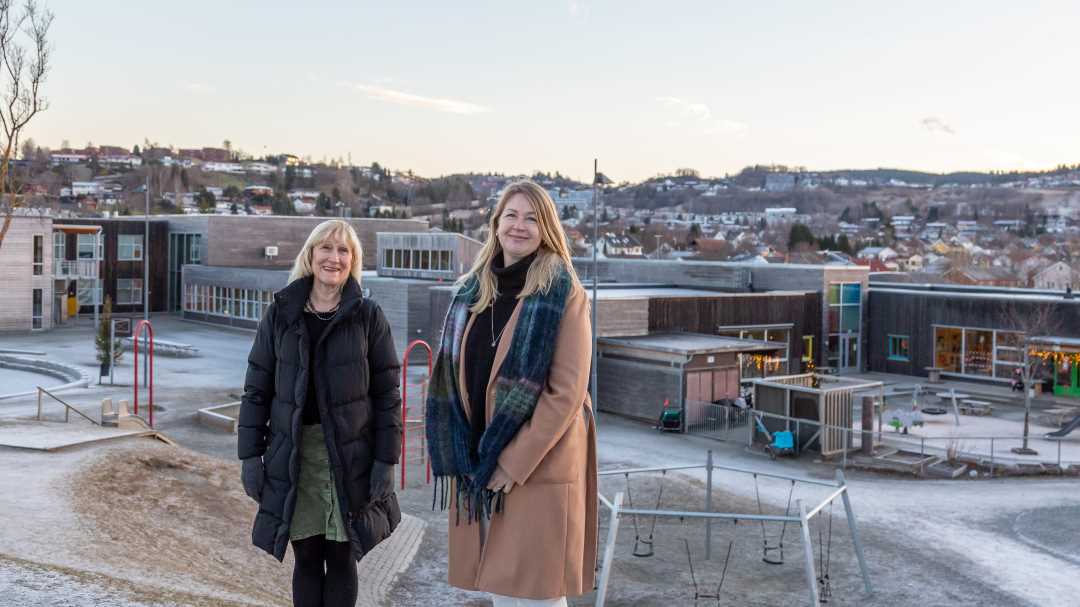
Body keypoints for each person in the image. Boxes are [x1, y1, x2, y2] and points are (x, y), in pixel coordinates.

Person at [426, 180, 598, 606]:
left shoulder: (562, 291)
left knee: (537, 596)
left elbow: (566, 392)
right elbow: (454, 371)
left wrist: (512, 462)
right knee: (501, 592)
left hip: (537, 463)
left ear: (546, 229)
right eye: (511, 216)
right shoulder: (471, 291)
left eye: (532, 218)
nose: (519, 226)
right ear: (496, 223)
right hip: (479, 458)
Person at [238, 219, 402, 607]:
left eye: (344, 250)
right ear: (310, 255)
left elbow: (388, 395)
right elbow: (256, 389)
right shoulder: (281, 314)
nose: (334, 257)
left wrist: (385, 460)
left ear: (354, 261)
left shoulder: (368, 317)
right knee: (307, 557)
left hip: (349, 456)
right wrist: (250, 456)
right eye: (326, 248)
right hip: (295, 455)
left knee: (344, 557)